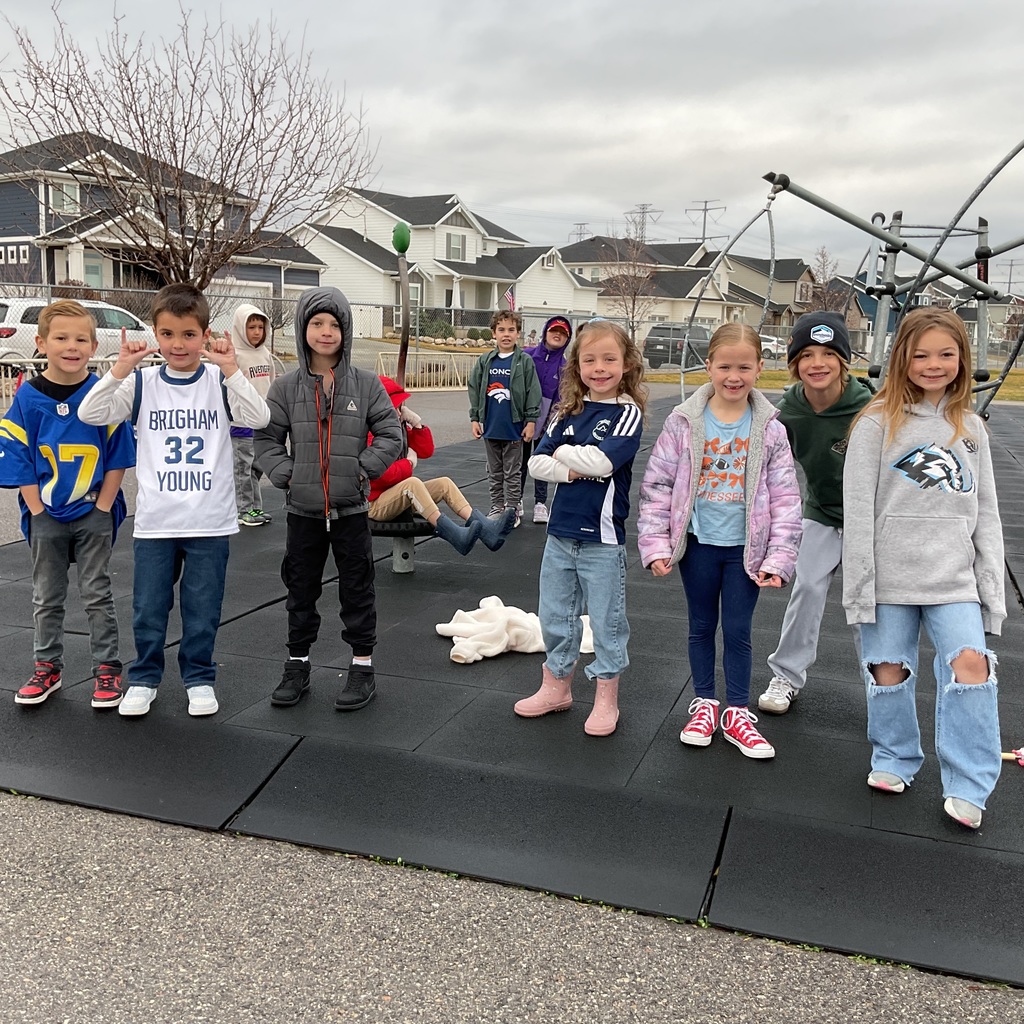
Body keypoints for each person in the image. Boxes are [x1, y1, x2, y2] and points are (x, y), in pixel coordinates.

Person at [842, 308, 1004, 830]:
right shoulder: (875, 424)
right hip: (889, 580)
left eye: (946, 354)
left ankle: (969, 781)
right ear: (901, 359)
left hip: (953, 580)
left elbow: (987, 517)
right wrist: (860, 589)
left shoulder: (970, 428)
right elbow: (859, 511)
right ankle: (894, 757)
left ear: (962, 359)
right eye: (921, 354)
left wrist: (991, 595)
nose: (934, 364)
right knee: (887, 671)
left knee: (972, 668)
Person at [78, 283, 270, 718]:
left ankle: (199, 677)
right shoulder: (143, 383)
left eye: (188, 334)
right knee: (148, 608)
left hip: (209, 521)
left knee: (202, 609)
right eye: (167, 334)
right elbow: (90, 413)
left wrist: (232, 369)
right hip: (157, 522)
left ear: (205, 334)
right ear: (155, 333)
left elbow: (260, 418)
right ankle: (144, 678)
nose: (177, 344)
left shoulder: (219, 381)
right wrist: (120, 369)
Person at [637, 323, 801, 759]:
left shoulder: (770, 429)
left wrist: (780, 556)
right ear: (708, 367)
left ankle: (738, 712)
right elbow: (658, 486)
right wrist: (655, 545)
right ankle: (706, 702)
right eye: (725, 366)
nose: (734, 376)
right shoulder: (684, 422)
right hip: (699, 545)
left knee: (738, 629)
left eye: (744, 367)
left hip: (745, 549)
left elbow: (786, 495)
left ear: (759, 368)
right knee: (702, 625)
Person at [256, 286, 403, 711]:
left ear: (346, 331)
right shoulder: (285, 387)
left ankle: (362, 668)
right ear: (303, 329)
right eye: (317, 323)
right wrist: (286, 473)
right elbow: (266, 439)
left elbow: (393, 434)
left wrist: (361, 468)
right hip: (302, 511)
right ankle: (297, 665)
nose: (325, 332)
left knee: (357, 589)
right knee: (300, 588)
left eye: (334, 324)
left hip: (351, 509)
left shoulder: (366, 383)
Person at [513, 320, 647, 737]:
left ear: (625, 364)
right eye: (589, 359)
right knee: (555, 616)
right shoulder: (566, 411)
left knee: (606, 622)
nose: (599, 368)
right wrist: (574, 468)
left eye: (609, 359)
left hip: (602, 540)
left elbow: (605, 463)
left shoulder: (627, 413)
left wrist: (566, 456)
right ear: (577, 365)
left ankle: (606, 697)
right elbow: (536, 462)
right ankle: (556, 687)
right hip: (560, 534)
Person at [0, 300, 135, 708]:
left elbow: (117, 454)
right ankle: (47, 667)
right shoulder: (27, 398)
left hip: (93, 509)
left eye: (81, 339)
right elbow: (18, 456)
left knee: (97, 593)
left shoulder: (101, 394)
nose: (71, 346)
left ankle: (107, 670)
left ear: (94, 346)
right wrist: (36, 510)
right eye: (61, 338)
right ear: (41, 342)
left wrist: (102, 507)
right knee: (47, 595)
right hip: (46, 513)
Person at [757, 312, 875, 715]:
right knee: (806, 587)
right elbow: (764, 462)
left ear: (844, 360)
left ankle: (880, 685)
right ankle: (787, 675)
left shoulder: (870, 408)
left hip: (869, 520)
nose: (817, 363)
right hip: (822, 511)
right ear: (794, 363)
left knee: (865, 604)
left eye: (828, 353)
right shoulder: (789, 410)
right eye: (806, 354)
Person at [369, 375, 516, 554]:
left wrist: (417, 425)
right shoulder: (372, 433)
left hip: (394, 493)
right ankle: (454, 534)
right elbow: (379, 475)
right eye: (395, 408)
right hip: (374, 503)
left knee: (444, 483)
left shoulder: (396, 426)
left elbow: (426, 451)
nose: (399, 413)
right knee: (412, 484)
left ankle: (488, 532)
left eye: (400, 407)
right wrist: (408, 463)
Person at [468, 309, 541, 528]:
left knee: (513, 470)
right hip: (491, 426)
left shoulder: (524, 362)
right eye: (501, 330)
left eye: (511, 329)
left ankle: (512, 507)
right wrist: (475, 418)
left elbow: (532, 391)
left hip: (514, 427)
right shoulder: (485, 361)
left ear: (518, 333)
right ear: (493, 333)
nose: (506, 334)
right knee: (494, 470)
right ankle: (497, 506)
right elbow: (474, 389)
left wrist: (530, 421)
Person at [520, 315, 572, 524]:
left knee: (541, 462)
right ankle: (516, 502)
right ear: (545, 333)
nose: (557, 335)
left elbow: (565, 396)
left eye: (562, 333)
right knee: (519, 462)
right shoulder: (527, 357)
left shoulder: (566, 368)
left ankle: (540, 503)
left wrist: (555, 422)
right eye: (554, 331)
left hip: (547, 423)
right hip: (523, 421)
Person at [230, 302, 276, 527]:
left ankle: (255, 507)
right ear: (241, 328)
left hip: (262, 421)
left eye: (260, 327)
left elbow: (271, 384)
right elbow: (229, 388)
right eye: (252, 327)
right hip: (241, 423)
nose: (257, 332)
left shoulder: (265, 354)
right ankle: (243, 509)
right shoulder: (236, 355)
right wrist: (235, 415)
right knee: (242, 468)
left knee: (257, 467)